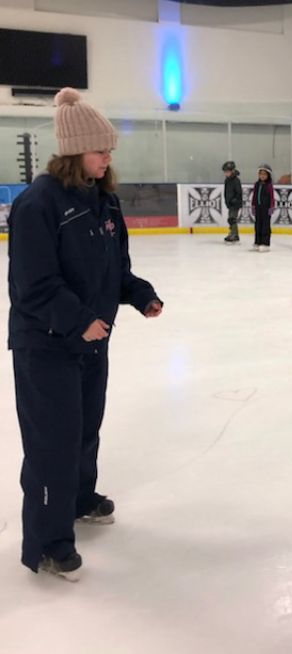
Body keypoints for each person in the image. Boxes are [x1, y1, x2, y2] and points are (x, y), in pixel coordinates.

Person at [7, 87, 163, 582]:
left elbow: (115, 269)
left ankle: (77, 499)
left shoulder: (104, 202)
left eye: (110, 149)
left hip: (93, 341)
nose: (108, 157)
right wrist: (78, 319)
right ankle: (48, 545)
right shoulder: (38, 204)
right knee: (52, 442)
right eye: (101, 149)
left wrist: (140, 295)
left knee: (84, 430)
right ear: (75, 150)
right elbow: (32, 285)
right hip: (47, 344)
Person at [251, 163, 275, 252]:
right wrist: (253, 205)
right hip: (258, 208)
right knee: (257, 225)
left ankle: (265, 243)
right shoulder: (257, 184)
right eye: (260, 174)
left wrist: (271, 207)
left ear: (268, 175)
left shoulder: (269, 185)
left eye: (264, 174)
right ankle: (257, 242)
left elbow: (272, 197)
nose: (262, 176)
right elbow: (254, 196)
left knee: (265, 226)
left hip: (266, 209)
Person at [222, 160, 242, 243]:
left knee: (232, 218)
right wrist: (227, 200)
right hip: (230, 203)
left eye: (227, 172)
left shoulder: (236, 180)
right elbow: (226, 192)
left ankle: (234, 234)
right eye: (225, 172)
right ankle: (233, 233)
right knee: (230, 219)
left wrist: (235, 200)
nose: (226, 173)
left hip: (235, 203)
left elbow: (239, 192)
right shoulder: (227, 180)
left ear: (232, 171)